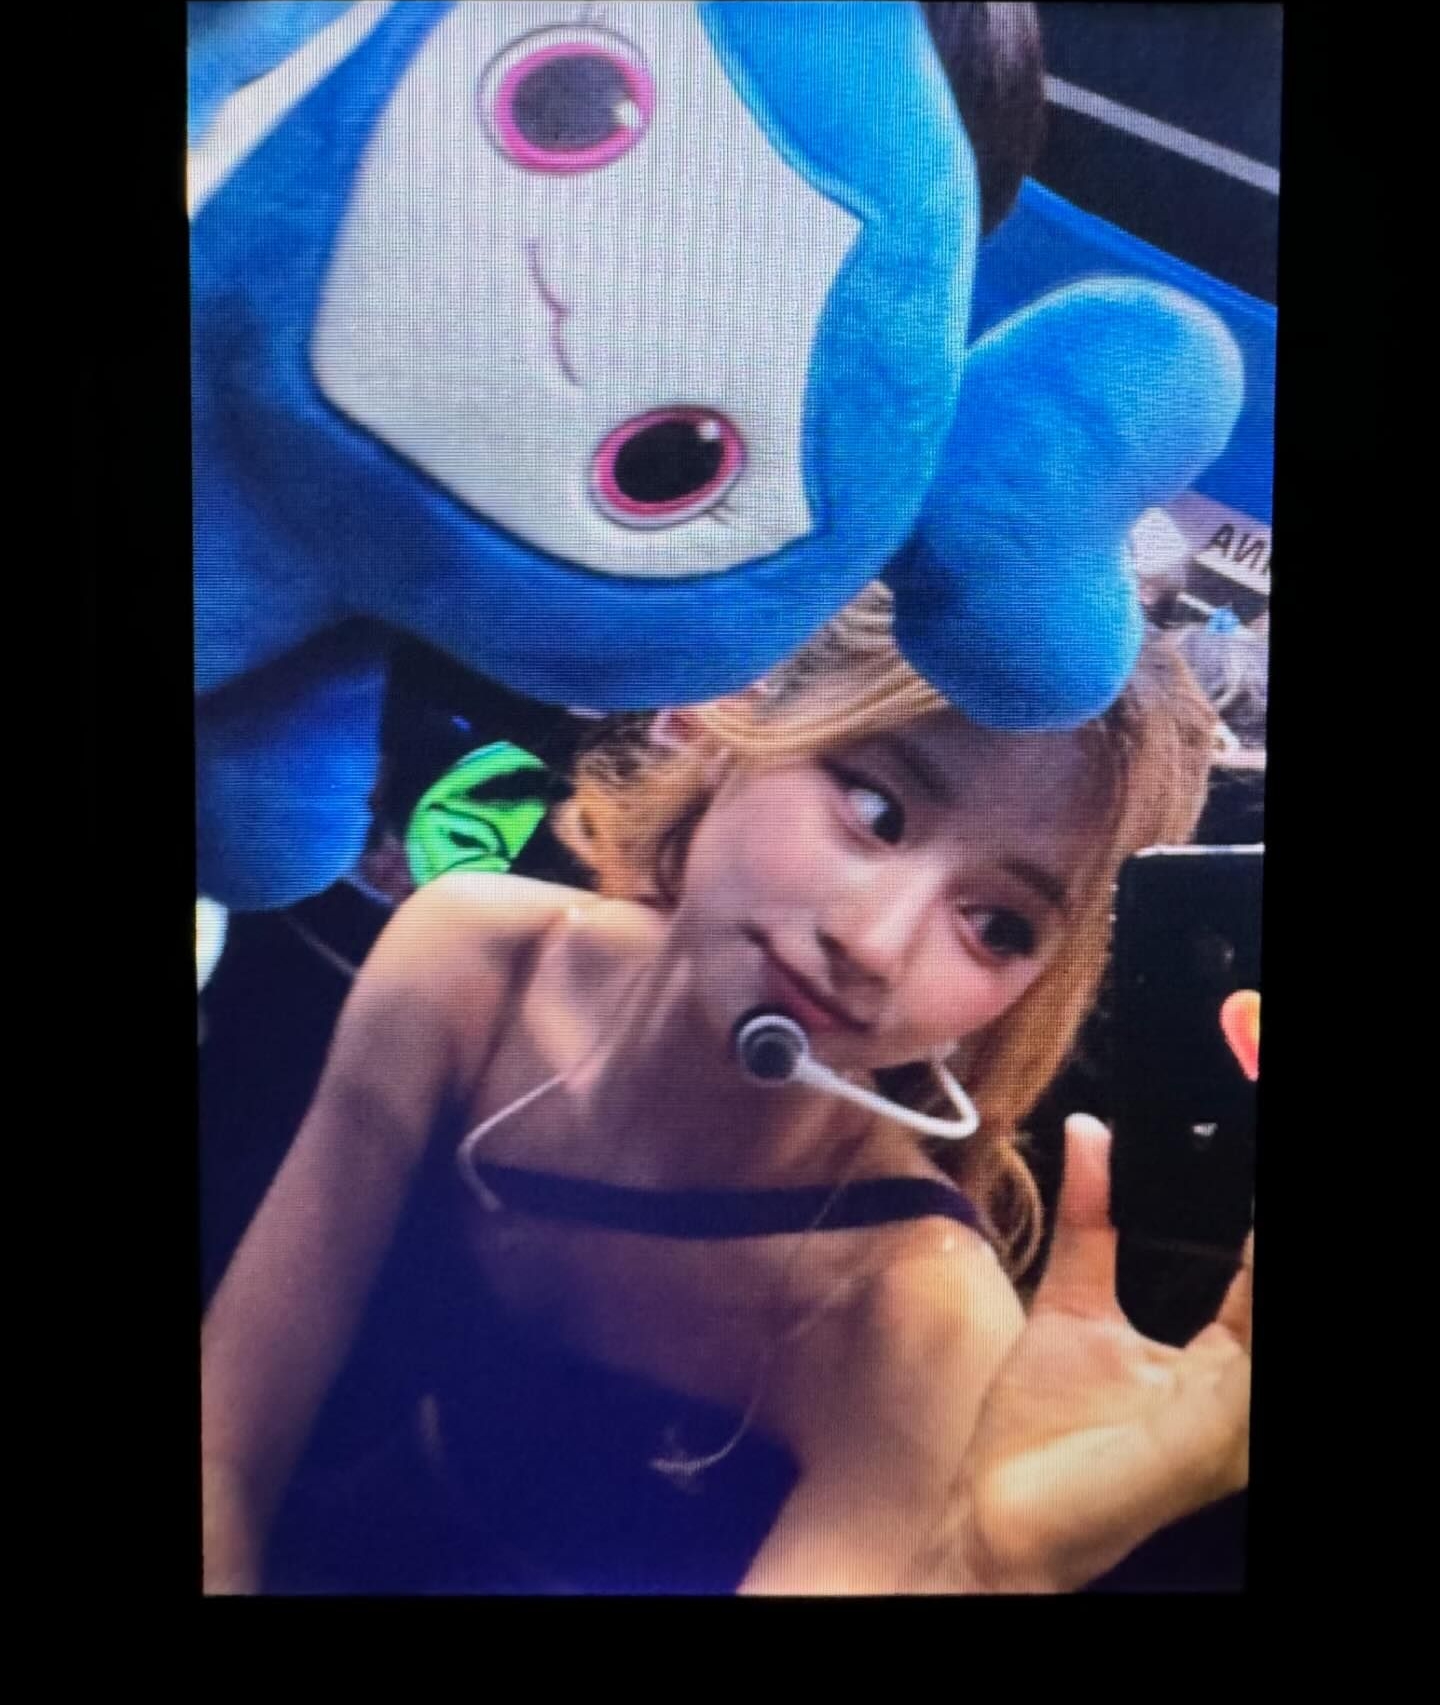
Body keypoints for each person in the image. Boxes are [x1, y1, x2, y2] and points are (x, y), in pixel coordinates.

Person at [201, 585, 1254, 1595]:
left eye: (997, 925)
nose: (875, 943)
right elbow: (227, 1445)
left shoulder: (913, 1322)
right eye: (877, 809)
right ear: (729, 709)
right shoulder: (472, 965)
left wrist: (988, 1572)